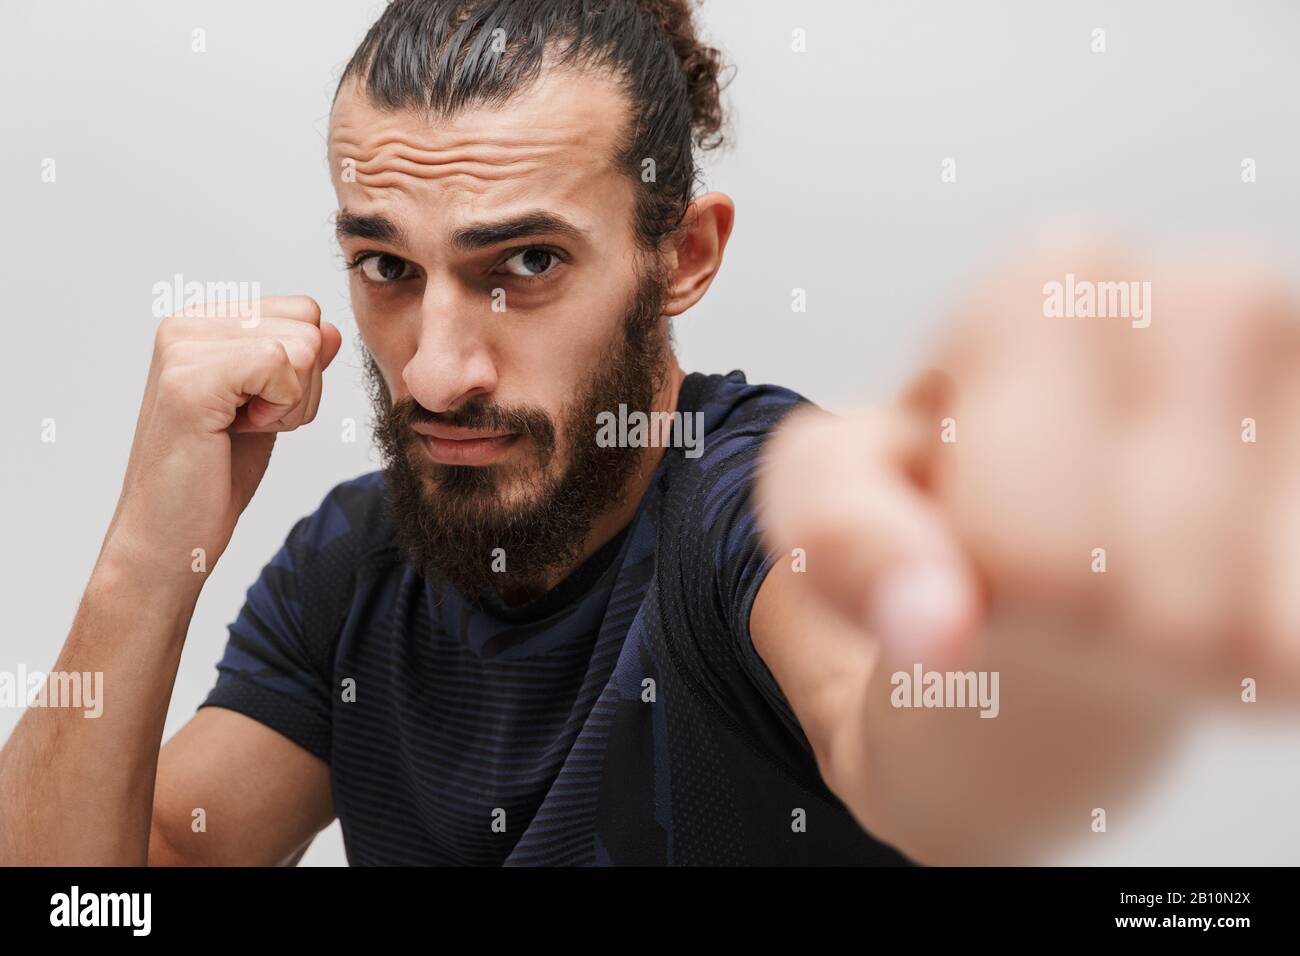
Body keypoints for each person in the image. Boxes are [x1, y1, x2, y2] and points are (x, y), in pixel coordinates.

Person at [2, 0, 1296, 866]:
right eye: (387, 267)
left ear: (682, 257)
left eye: (522, 264)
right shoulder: (357, 562)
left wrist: (1045, 647)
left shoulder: (754, 514)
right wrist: (142, 558)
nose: (436, 372)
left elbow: (904, 737)